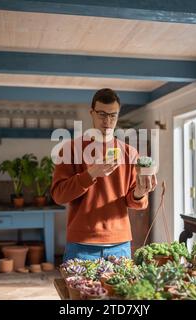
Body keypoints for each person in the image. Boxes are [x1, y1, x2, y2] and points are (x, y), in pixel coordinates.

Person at [50, 88, 157, 262]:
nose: (107, 121)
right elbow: (59, 196)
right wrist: (91, 174)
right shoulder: (70, 149)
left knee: (119, 290)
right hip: (81, 245)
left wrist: (140, 192)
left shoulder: (130, 153)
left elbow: (136, 202)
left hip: (120, 244)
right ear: (91, 113)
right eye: (101, 114)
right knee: (78, 291)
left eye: (113, 115)